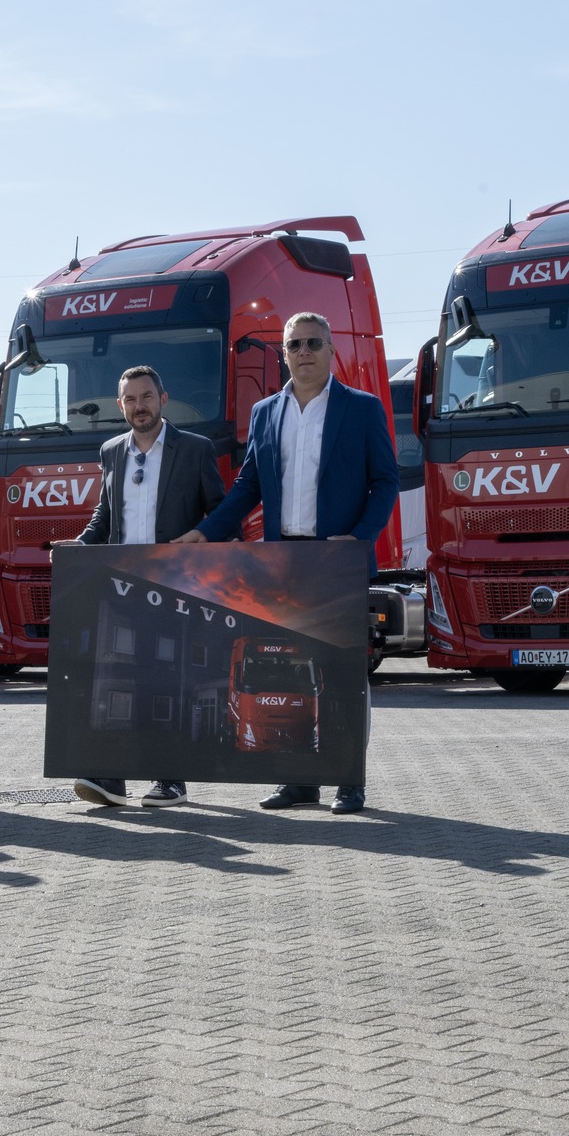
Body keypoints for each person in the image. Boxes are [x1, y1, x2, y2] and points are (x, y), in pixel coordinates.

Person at [178, 313, 397, 814]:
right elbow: (248, 487)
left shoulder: (362, 409)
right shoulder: (265, 413)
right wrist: (206, 531)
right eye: (294, 344)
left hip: (337, 562)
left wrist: (359, 539)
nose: (304, 352)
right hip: (284, 563)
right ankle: (298, 782)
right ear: (284, 354)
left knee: (341, 678)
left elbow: (385, 480)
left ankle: (347, 781)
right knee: (289, 674)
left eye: (313, 343)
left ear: (331, 350)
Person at [63, 365, 227, 810]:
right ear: (121, 406)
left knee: (171, 680)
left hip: (176, 586)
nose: (140, 406)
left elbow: (219, 514)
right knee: (128, 680)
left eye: (147, 397)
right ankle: (112, 778)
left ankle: (170, 779)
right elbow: (104, 515)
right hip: (124, 586)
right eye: (131, 399)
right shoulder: (111, 451)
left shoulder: (195, 449)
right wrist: (82, 544)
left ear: (163, 399)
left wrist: (205, 549)